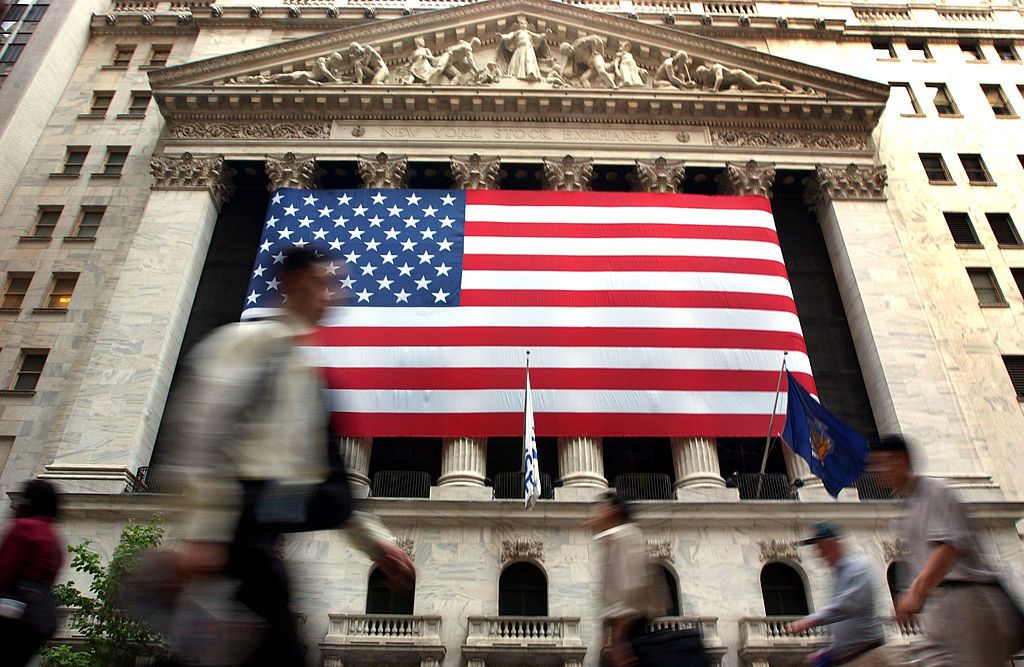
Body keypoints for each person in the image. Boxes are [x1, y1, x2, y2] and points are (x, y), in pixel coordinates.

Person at [171, 246, 415, 667]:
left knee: (268, 650)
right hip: (234, 532)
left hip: (265, 534)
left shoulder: (306, 371)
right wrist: (204, 532)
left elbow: (317, 474)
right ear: (295, 282)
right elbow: (204, 434)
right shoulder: (246, 343)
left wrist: (375, 541)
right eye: (325, 282)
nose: (333, 295)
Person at [870, 434, 1024, 666]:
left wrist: (915, 592)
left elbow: (950, 548)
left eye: (882, 463)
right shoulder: (908, 508)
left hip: (966, 601)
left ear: (900, 460)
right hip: (937, 609)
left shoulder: (934, 492)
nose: (877, 472)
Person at [787, 522, 896, 666]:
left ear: (831, 544)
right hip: (848, 659)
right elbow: (843, 627)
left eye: (820, 548)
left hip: (868, 657)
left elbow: (847, 606)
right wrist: (826, 652)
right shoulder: (837, 576)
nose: (819, 554)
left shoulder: (858, 567)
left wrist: (809, 621)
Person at [0, 479, 63, 667]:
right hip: (39, 618)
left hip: (10, 612)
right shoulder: (55, 538)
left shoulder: (25, 528)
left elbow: (4, 570)